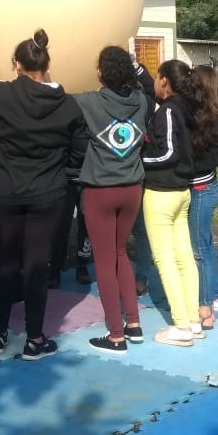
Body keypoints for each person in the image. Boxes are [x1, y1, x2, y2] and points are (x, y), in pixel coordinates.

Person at [0, 28, 88, 361]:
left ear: (16, 64)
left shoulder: (2, 95)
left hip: (7, 192)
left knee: (8, 263)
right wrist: (58, 164)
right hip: (49, 194)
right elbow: (81, 149)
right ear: (47, 63)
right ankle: (35, 339)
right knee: (37, 266)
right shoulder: (67, 104)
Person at [73, 46, 150, 354]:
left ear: (101, 72)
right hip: (132, 187)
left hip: (100, 189)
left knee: (104, 262)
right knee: (120, 254)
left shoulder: (87, 102)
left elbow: (55, 105)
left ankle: (115, 334)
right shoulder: (142, 101)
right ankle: (133, 323)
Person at [142, 59, 199, 347]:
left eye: (155, 77)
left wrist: (140, 162)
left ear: (164, 81)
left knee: (166, 259)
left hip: (162, 193)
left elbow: (169, 153)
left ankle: (181, 326)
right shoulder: (187, 108)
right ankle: (192, 320)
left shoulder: (167, 111)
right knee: (184, 257)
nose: (152, 82)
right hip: (182, 192)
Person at [186, 64, 218, 328]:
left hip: (202, 190)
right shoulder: (196, 114)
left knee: (199, 248)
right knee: (205, 243)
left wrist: (186, 166)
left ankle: (206, 306)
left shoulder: (211, 119)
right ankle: (212, 296)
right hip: (200, 189)